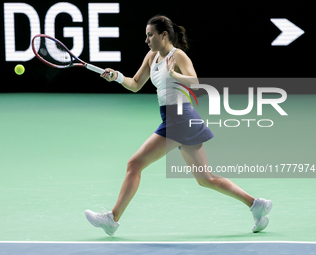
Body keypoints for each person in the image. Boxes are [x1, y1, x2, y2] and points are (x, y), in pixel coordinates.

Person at [85, 15, 272, 236]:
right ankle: (256, 204)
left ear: (164, 35)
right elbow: (135, 84)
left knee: (134, 164)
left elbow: (196, 81)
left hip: (180, 119)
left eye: (150, 35)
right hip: (177, 119)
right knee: (206, 179)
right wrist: (116, 76)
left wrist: (175, 74)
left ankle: (112, 219)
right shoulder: (151, 57)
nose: (146, 40)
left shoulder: (178, 56)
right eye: (146, 35)